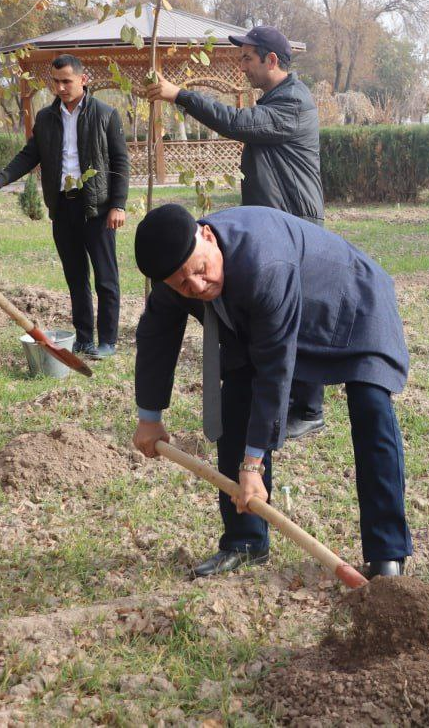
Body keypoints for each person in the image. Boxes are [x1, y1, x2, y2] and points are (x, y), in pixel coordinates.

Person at [130, 203, 412, 579]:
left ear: (208, 235)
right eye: (183, 284)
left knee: (371, 407)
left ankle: (387, 556)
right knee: (235, 403)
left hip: (353, 305)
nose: (197, 287)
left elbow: (275, 371)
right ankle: (245, 541)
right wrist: (149, 418)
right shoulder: (177, 271)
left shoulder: (263, 264)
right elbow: (156, 334)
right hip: (271, 319)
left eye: (200, 270)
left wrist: (253, 464)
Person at [144, 25, 326, 441]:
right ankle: (283, 399)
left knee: (303, 315)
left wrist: (181, 95)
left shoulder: (294, 102)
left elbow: (237, 122)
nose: (241, 66)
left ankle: (310, 408)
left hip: (296, 224)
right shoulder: (277, 100)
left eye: (246, 58)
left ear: (272, 60)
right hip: (277, 222)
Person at [0, 54, 129, 358]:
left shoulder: (106, 114)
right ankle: (84, 338)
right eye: (56, 82)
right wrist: (0, 179)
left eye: (67, 81)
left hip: (96, 209)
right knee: (76, 278)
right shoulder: (46, 119)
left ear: (83, 80)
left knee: (106, 278)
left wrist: (119, 205)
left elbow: (120, 162)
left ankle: (108, 341)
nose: (60, 88)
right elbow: (29, 155)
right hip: (62, 207)